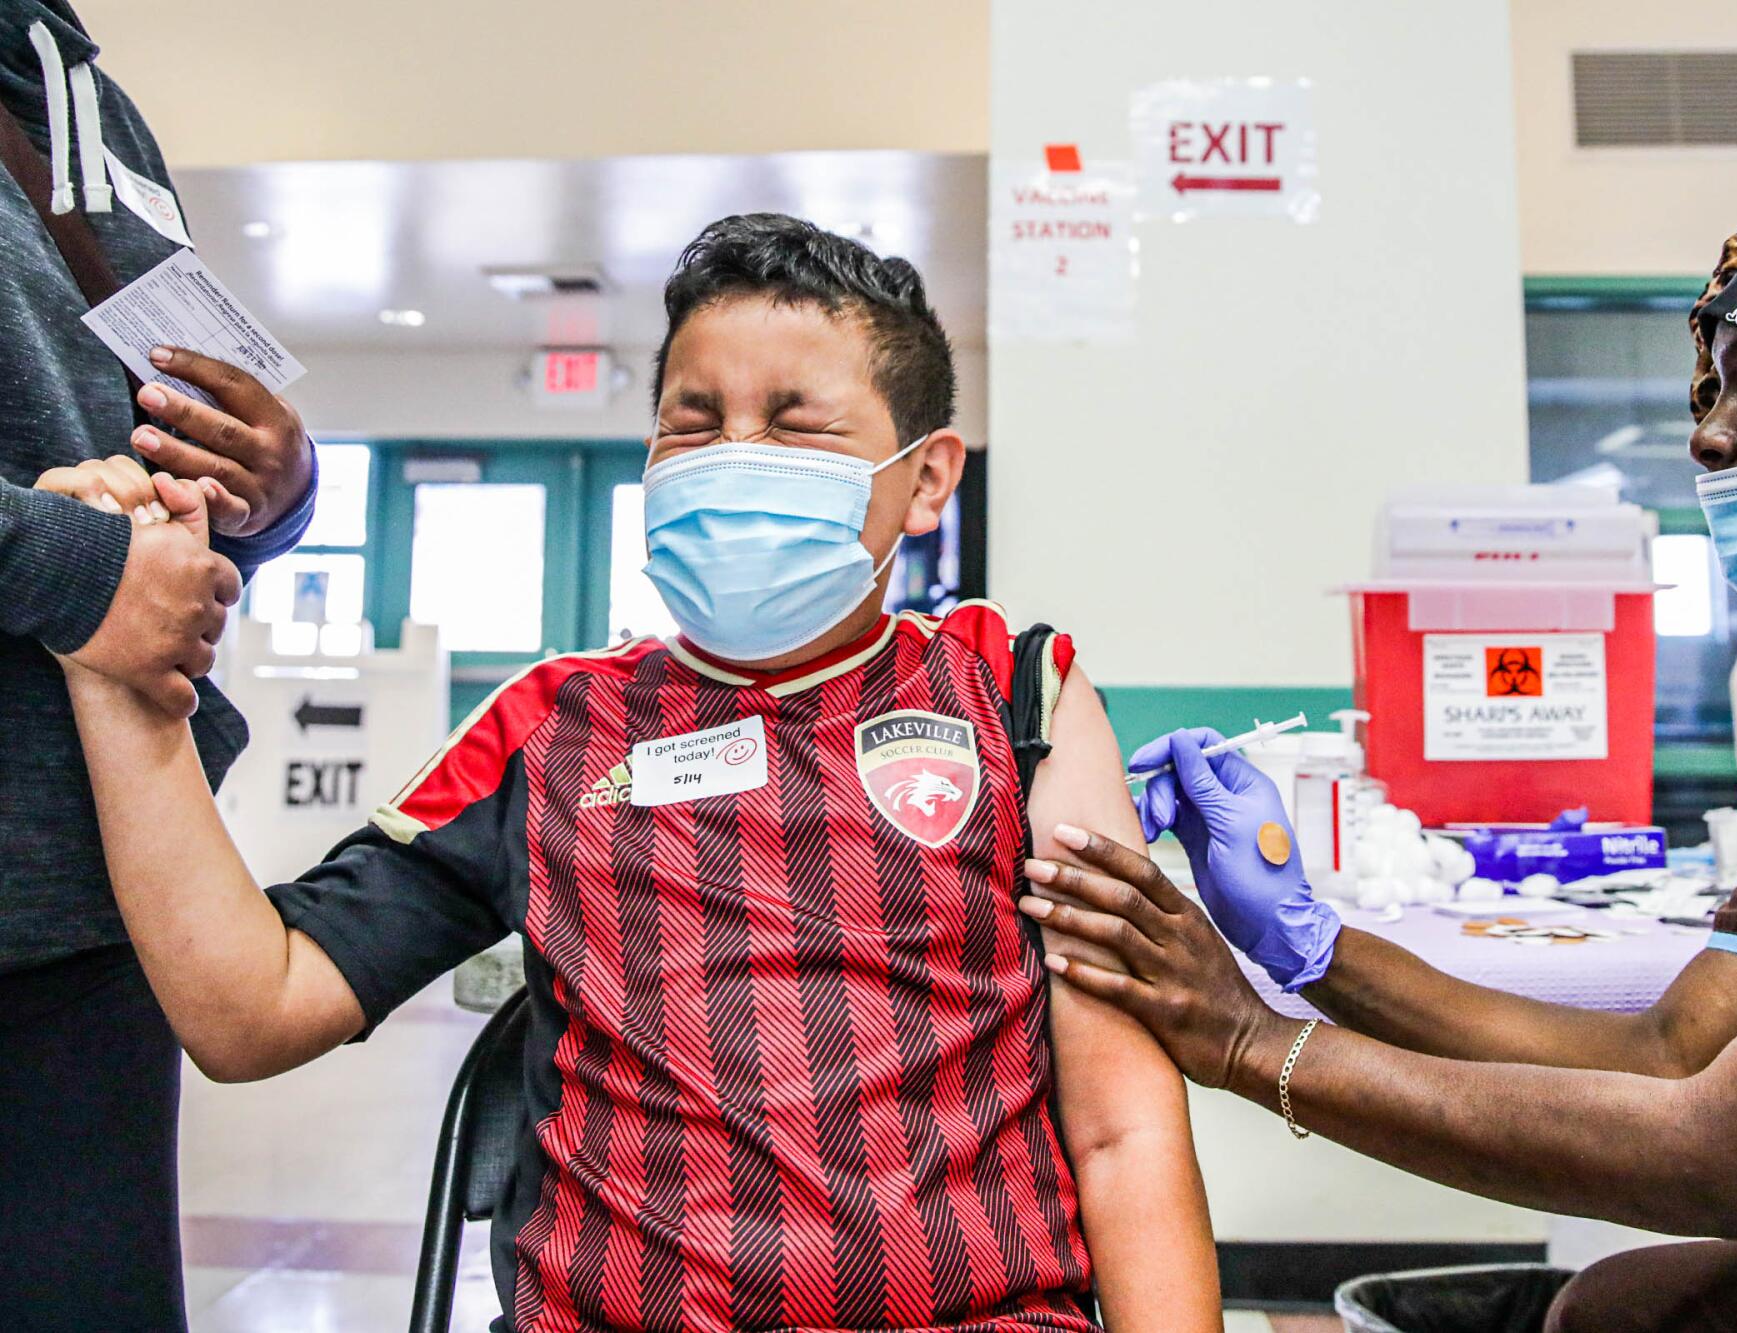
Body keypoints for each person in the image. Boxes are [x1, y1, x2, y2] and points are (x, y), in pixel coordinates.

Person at [52, 213, 1222, 1333]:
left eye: (795, 424)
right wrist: (119, 677)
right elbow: (253, 1007)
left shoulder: (1014, 697)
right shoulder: (553, 727)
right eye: (693, 419)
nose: (732, 457)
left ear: (924, 481)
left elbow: (1122, 1128)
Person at [1015, 133, 1737, 1333]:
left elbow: (1720, 1153)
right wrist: (1310, 945)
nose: (1708, 433)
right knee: (1619, 1310)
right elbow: (1668, 1053)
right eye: (1716, 382)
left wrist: (1243, 1040)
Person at [0, 2, 318, 1327]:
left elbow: (163, 407)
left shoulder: (71, 92)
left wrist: (278, 483)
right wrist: (73, 570)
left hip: (85, 887)